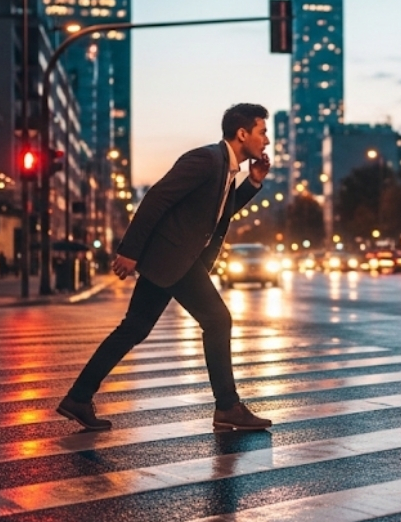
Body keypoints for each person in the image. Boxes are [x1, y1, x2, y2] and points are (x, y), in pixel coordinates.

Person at [56, 103, 273, 432]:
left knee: (134, 328)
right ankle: (227, 406)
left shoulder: (226, 169)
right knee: (217, 320)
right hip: (173, 257)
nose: (267, 141)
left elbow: (218, 215)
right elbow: (157, 197)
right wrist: (129, 250)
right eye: (262, 132)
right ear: (242, 134)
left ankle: (78, 398)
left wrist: (253, 184)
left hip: (172, 259)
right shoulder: (206, 159)